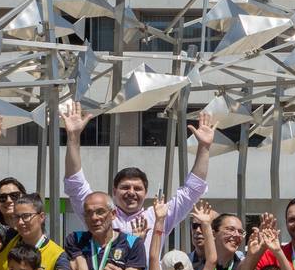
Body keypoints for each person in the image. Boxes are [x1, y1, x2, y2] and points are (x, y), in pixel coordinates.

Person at [61, 100, 218, 238]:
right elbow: (76, 185)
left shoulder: (158, 216)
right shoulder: (100, 214)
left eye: (137, 188)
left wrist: (204, 148)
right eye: (125, 187)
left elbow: (191, 191)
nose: (131, 193)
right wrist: (73, 138)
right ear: (114, 191)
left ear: (146, 192)